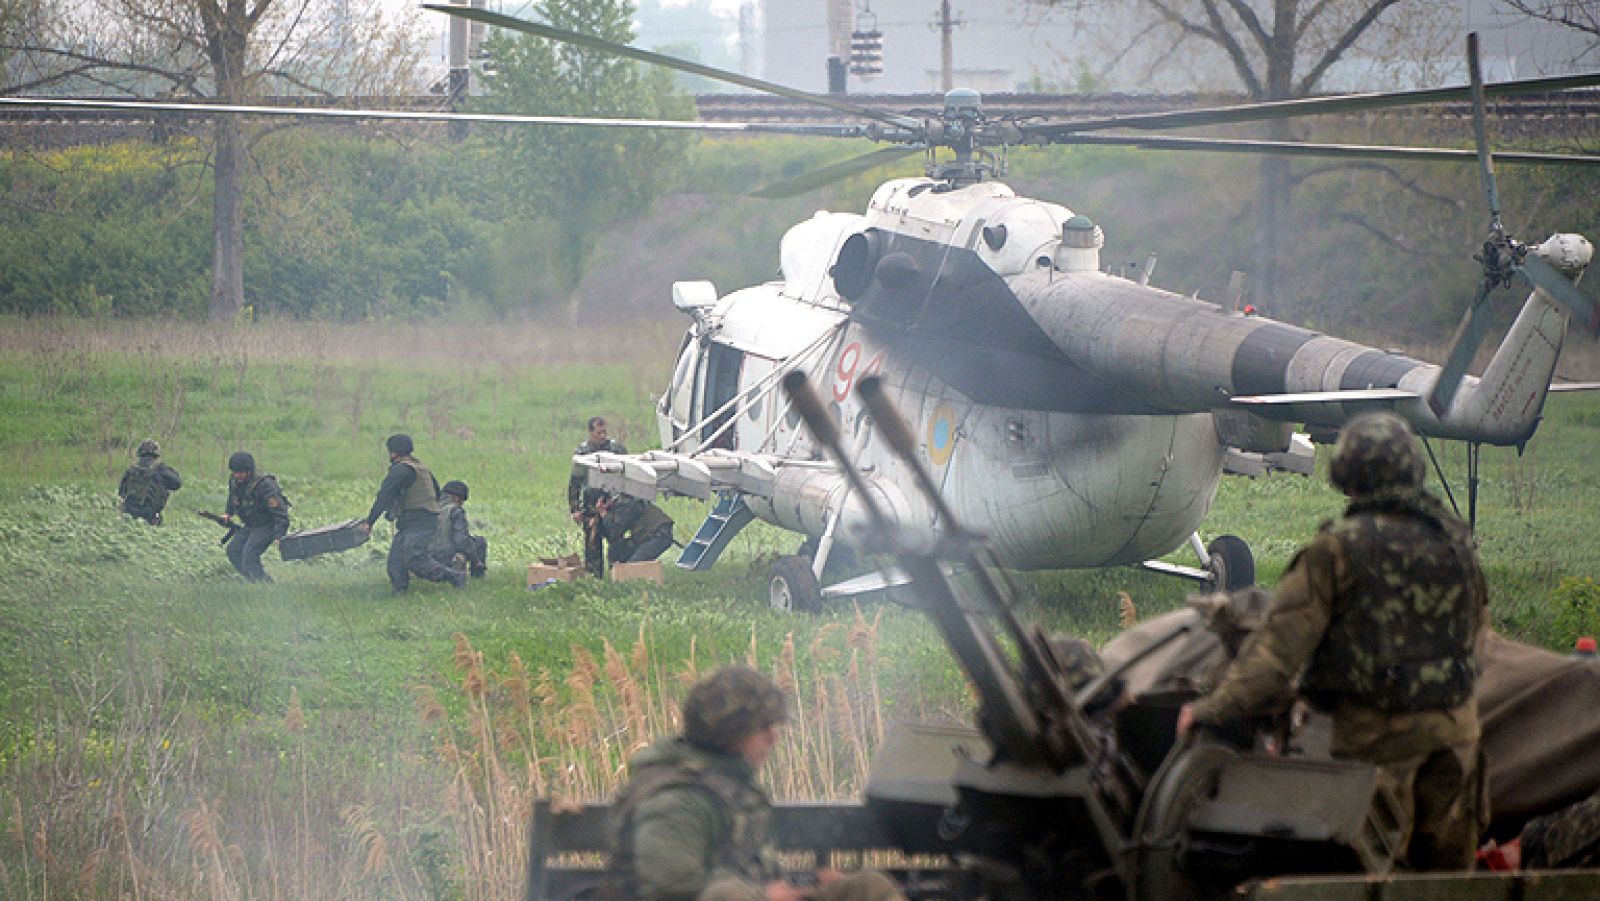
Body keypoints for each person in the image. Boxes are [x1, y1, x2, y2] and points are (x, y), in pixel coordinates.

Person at [1176, 412, 1490, 871]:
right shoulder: (1457, 543)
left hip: (1379, 750)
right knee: (1450, 884)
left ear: (1347, 474)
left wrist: (1210, 708)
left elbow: (1275, 655)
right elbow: (1476, 635)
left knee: (1374, 879)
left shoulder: (1335, 552)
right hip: (1457, 742)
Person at [608, 666, 902, 901]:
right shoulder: (677, 799)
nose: (774, 738)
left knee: (867, 888)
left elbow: (747, 869)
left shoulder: (728, 784)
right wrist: (762, 895)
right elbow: (668, 888)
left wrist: (807, 883)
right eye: (763, 728)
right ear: (730, 731)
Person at [358, 434, 466, 591]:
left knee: (415, 560)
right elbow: (436, 492)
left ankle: (454, 576)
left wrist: (370, 521)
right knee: (396, 561)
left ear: (393, 452)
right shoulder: (421, 467)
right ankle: (400, 591)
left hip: (418, 520)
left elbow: (384, 496)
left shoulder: (401, 470)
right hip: (419, 519)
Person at [570, 416, 627, 577]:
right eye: (598, 433)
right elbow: (575, 483)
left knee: (616, 541)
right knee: (592, 544)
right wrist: (575, 509)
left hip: (613, 504)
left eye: (604, 432)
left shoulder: (616, 449)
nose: (602, 436)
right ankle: (594, 578)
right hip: (591, 505)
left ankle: (618, 575)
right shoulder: (583, 452)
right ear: (590, 433)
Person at [223, 451, 290, 583]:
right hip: (251, 525)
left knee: (250, 555)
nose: (236, 475)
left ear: (249, 471)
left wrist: (279, 535)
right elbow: (232, 497)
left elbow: (280, 513)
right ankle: (254, 580)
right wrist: (228, 513)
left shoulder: (265, 485)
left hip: (268, 525)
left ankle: (265, 585)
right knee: (233, 551)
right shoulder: (235, 480)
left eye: (240, 473)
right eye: (235, 472)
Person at [429, 479, 488, 578]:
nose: (462, 504)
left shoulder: (430, 508)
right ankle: (477, 577)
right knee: (480, 541)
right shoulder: (455, 511)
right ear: (455, 498)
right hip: (447, 556)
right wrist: (476, 560)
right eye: (462, 501)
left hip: (428, 555)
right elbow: (462, 541)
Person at [598, 493, 675, 567]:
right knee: (616, 551)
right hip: (648, 535)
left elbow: (615, 533)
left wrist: (604, 513)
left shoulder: (625, 504)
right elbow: (612, 536)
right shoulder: (619, 504)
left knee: (632, 566)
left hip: (658, 535)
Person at [118, 439, 182, 525]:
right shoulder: (161, 470)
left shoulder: (131, 471)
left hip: (128, 514)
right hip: (150, 516)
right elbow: (177, 484)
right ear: (156, 455)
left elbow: (121, 492)